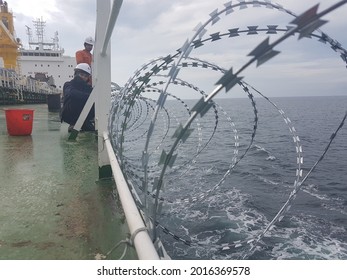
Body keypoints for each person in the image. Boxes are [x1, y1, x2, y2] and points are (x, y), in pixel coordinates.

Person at [60, 63, 95, 132]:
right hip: (70, 115)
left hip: (85, 116)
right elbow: (71, 93)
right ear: (76, 74)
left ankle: (85, 122)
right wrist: (90, 97)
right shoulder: (68, 84)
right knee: (75, 97)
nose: (83, 77)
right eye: (81, 75)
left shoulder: (88, 88)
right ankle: (74, 124)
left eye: (86, 76)